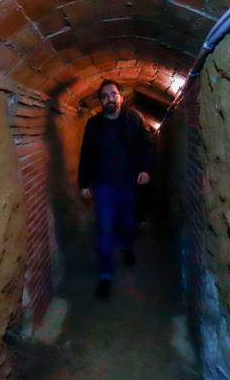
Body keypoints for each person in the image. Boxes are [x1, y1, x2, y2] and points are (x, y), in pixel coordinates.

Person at [78, 79, 153, 300]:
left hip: (128, 183)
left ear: (121, 96)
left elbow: (147, 143)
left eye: (113, 94)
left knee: (128, 223)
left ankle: (127, 245)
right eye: (104, 96)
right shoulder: (94, 125)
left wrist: (145, 169)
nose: (109, 98)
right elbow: (87, 153)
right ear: (100, 101)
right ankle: (105, 275)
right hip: (103, 186)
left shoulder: (134, 119)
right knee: (105, 229)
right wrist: (84, 182)